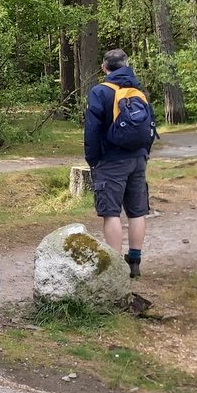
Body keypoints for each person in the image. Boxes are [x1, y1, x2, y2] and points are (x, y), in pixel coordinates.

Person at [84, 48, 151, 278]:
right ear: (126, 65)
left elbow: (92, 130)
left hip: (111, 160)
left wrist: (93, 159)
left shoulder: (100, 91)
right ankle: (134, 261)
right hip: (138, 158)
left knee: (111, 213)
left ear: (104, 68)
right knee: (136, 211)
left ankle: (115, 269)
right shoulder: (137, 90)